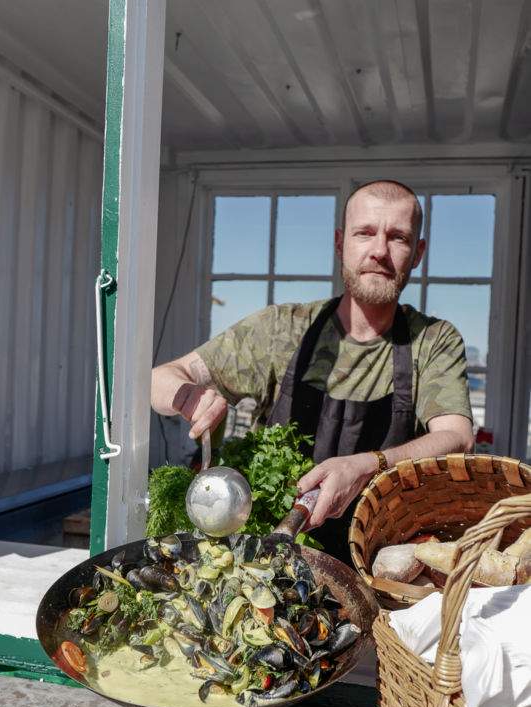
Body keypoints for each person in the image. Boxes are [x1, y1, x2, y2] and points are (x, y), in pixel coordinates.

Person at [151, 180, 474, 561]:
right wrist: (187, 396)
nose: (379, 251)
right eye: (364, 233)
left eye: (398, 237)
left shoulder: (432, 341)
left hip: (378, 560)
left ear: (417, 253)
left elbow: (457, 437)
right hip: (271, 554)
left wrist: (368, 465)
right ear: (340, 243)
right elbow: (159, 378)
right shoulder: (282, 329)